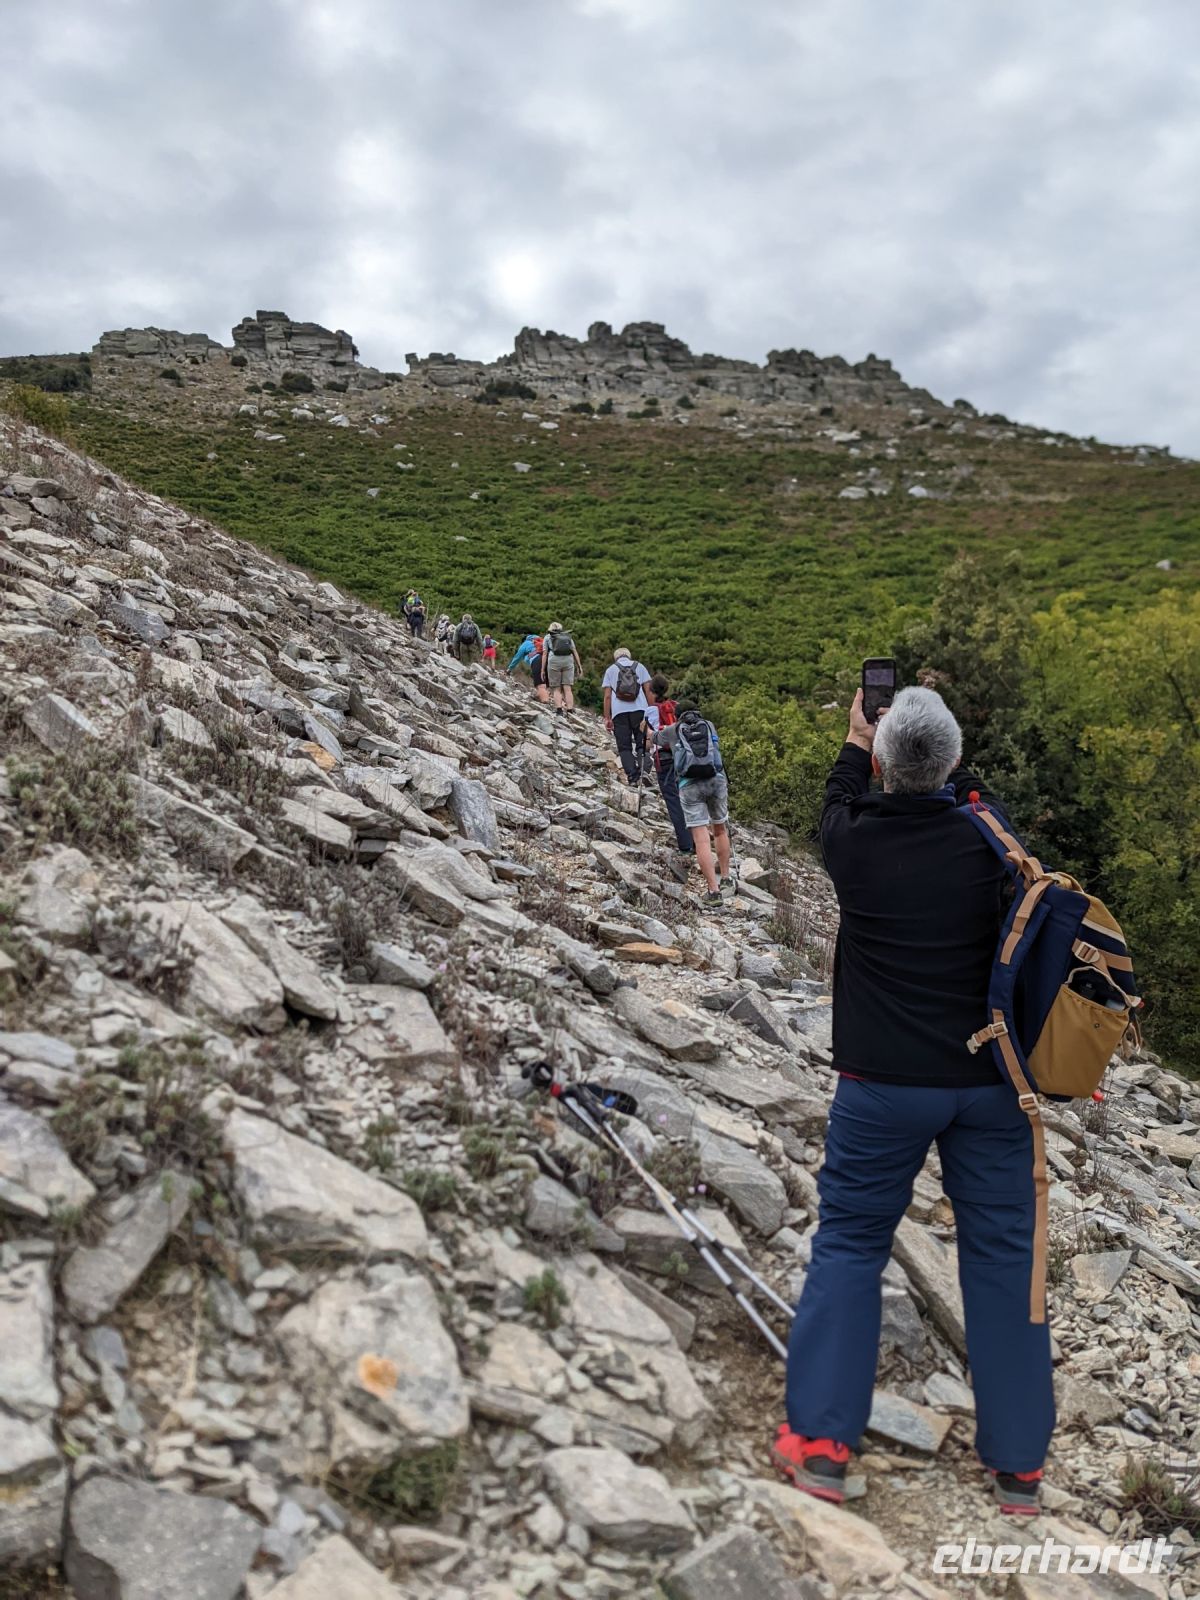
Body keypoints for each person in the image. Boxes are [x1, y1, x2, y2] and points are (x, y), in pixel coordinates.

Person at [773, 687, 1054, 1518]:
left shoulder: (852, 842)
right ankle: (1018, 1469)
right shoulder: (989, 842)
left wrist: (858, 739)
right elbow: (976, 801)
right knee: (1004, 1259)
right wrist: (941, 766)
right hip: (990, 1086)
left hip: (881, 1089)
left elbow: (839, 795)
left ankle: (823, 1446)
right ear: (955, 762)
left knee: (851, 1243)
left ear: (883, 762)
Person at [670, 700, 733, 908]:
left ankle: (713, 892)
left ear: (677, 715)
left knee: (701, 839)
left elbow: (653, 739)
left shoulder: (674, 729)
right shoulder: (709, 725)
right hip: (716, 779)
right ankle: (726, 878)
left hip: (689, 785)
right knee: (720, 829)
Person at [644, 675, 693, 853]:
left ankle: (686, 845)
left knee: (673, 802)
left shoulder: (651, 711)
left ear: (651, 692)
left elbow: (649, 740)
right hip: (684, 757)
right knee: (687, 799)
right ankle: (697, 839)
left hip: (664, 760)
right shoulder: (676, 706)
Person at [602, 647, 651, 784]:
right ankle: (644, 772)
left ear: (615, 658)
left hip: (619, 713)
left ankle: (633, 777)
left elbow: (607, 696)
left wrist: (607, 717)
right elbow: (648, 690)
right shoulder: (639, 666)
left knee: (624, 747)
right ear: (629, 656)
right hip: (640, 710)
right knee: (642, 742)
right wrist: (652, 710)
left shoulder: (611, 670)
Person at [544, 622, 582, 714]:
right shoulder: (567, 637)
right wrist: (579, 666)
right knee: (567, 688)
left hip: (554, 662)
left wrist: (542, 669)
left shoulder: (547, 637)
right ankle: (570, 709)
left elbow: (545, 653)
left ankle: (559, 710)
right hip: (568, 661)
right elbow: (574, 651)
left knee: (556, 688)